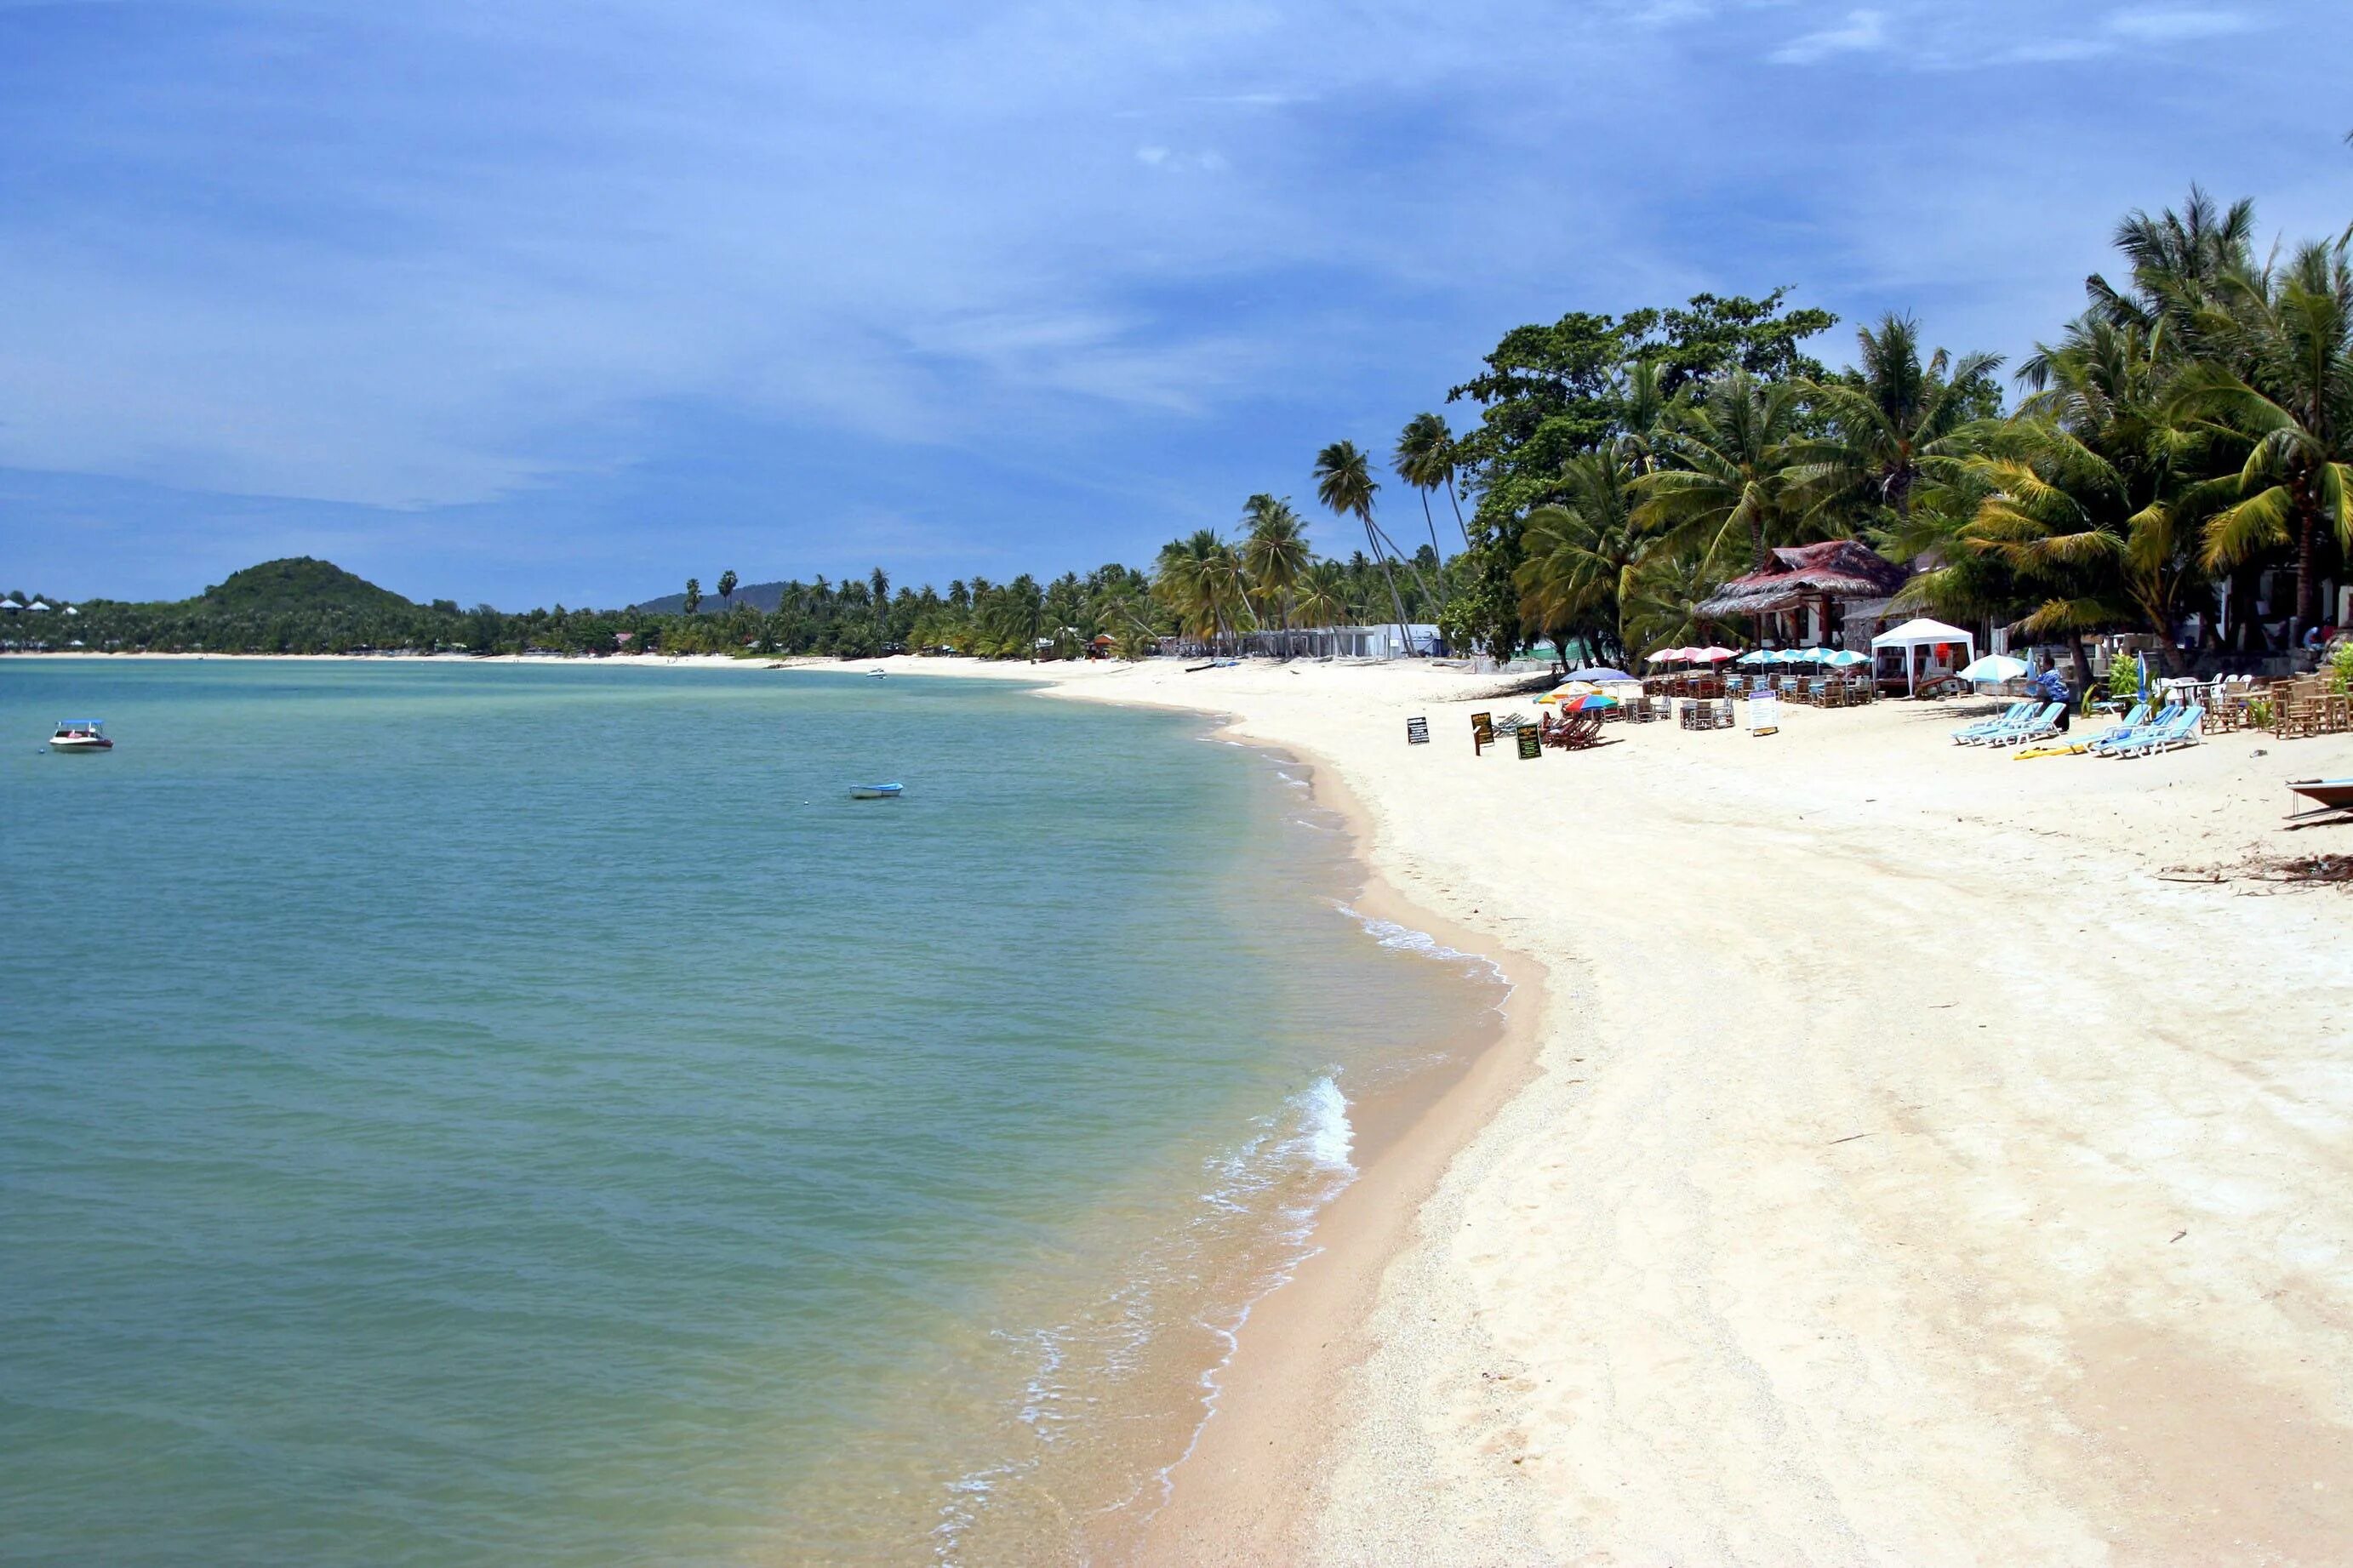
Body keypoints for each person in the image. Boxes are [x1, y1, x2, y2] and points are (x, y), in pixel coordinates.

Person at [2030, 667, 2071, 732]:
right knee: (2065, 712)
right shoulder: (2057, 672)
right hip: (2065, 694)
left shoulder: (2048, 674)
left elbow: (2037, 680)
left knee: (2058, 712)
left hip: (2057, 695)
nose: (2043, 667)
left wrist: (2028, 683)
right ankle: (2065, 727)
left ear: (2047, 665)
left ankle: (2057, 726)